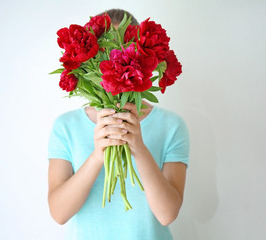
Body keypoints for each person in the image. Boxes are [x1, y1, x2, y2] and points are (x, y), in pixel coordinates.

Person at [47, 9, 190, 240]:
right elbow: (59, 213)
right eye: (105, 48)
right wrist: (97, 155)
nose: (114, 57)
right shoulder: (66, 126)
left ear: (141, 54)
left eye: (122, 46)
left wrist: (139, 147)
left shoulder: (171, 126)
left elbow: (167, 214)